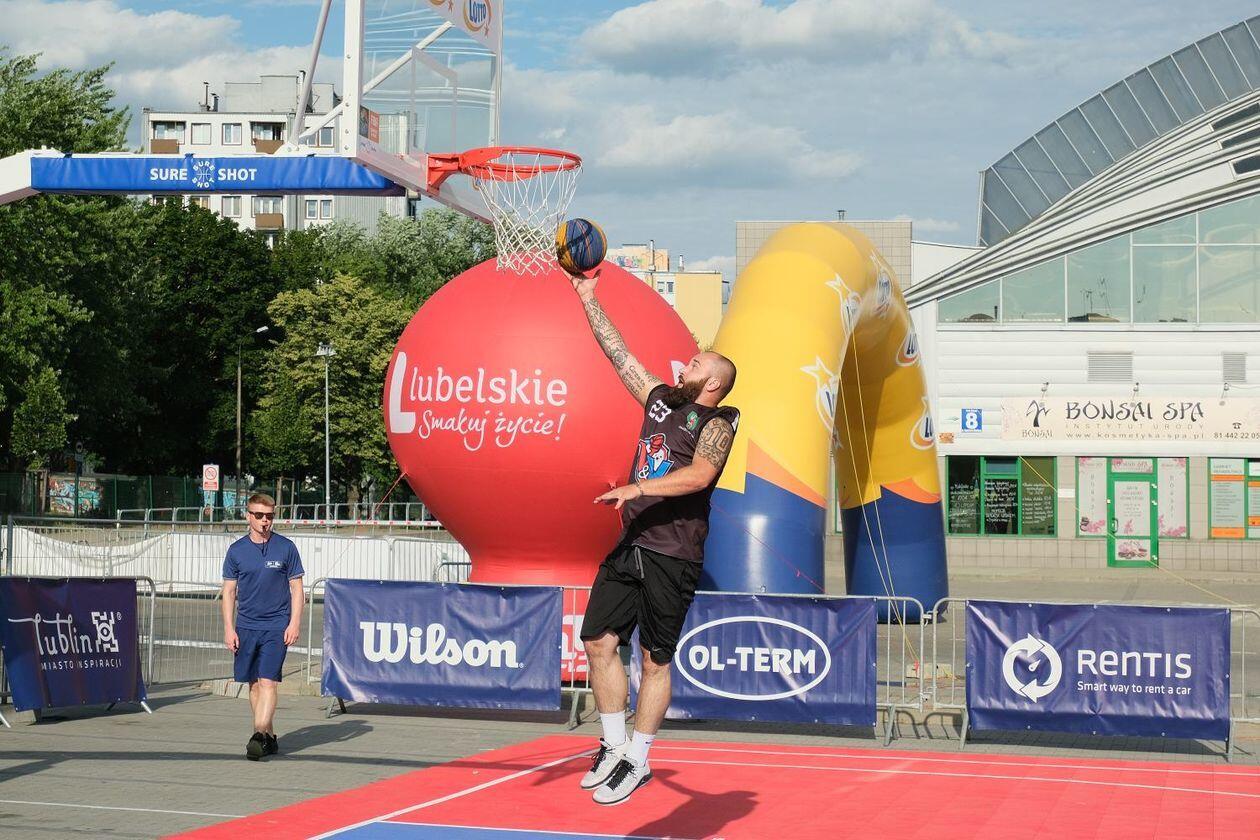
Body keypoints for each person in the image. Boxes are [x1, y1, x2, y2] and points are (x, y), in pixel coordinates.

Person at [569, 267, 739, 805]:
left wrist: (638, 486)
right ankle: (613, 745)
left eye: (696, 364)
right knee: (597, 641)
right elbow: (618, 353)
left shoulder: (717, 423)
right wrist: (588, 297)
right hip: (633, 543)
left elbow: (700, 475)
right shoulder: (661, 400)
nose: (685, 365)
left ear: (712, 383)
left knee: (654, 661)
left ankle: (638, 759)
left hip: (674, 553)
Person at [220, 492, 305, 761]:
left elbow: (297, 588)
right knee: (254, 684)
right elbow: (229, 592)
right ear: (248, 516)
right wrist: (229, 628)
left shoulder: (286, 547)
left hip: (276, 626)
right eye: (259, 515)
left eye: (269, 516)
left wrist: (294, 623)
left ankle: (257, 734)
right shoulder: (236, 551)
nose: (265, 520)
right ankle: (268, 736)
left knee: (268, 681)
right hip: (246, 626)